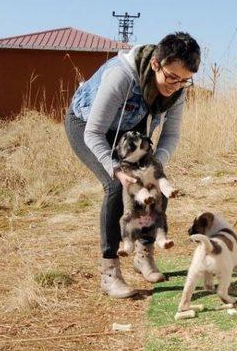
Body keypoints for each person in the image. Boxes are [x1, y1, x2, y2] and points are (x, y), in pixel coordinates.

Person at [64, 32, 200, 298]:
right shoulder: (121, 78)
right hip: (89, 125)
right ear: (155, 65)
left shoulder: (178, 90)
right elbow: (93, 132)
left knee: (154, 185)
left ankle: (144, 254)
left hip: (129, 129)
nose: (176, 85)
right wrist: (115, 168)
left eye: (185, 80)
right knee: (117, 187)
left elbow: (171, 135)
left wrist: (156, 166)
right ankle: (109, 272)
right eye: (171, 77)